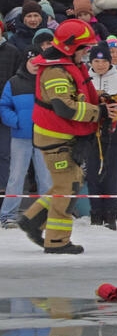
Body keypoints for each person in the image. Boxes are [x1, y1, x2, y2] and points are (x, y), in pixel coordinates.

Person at [15, 21, 104, 252]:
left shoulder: (65, 65)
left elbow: (75, 96)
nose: (87, 52)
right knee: (69, 186)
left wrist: (100, 99)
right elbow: (64, 107)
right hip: (55, 137)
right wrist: (99, 112)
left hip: (62, 135)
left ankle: (32, 219)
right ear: (69, 48)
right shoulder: (55, 70)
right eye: (84, 47)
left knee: (68, 182)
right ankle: (57, 241)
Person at [85, 42, 117, 229]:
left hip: (115, 136)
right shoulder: (85, 78)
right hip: (92, 136)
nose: (100, 65)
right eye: (96, 61)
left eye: (104, 61)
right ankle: (95, 214)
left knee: (113, 176)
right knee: (92, 175)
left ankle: (110, 214)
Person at [0, 48, 52, 228]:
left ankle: (47, 215)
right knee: (16, 177)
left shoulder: (49, 82)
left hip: (44, 137)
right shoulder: (13, 83)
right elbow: (4, 107)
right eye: (32, 62)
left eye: (39, 62)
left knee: (45, 178)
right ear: (26, 62)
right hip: (20, 138)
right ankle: (7, 215)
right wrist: (16, 121)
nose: (35, 65)